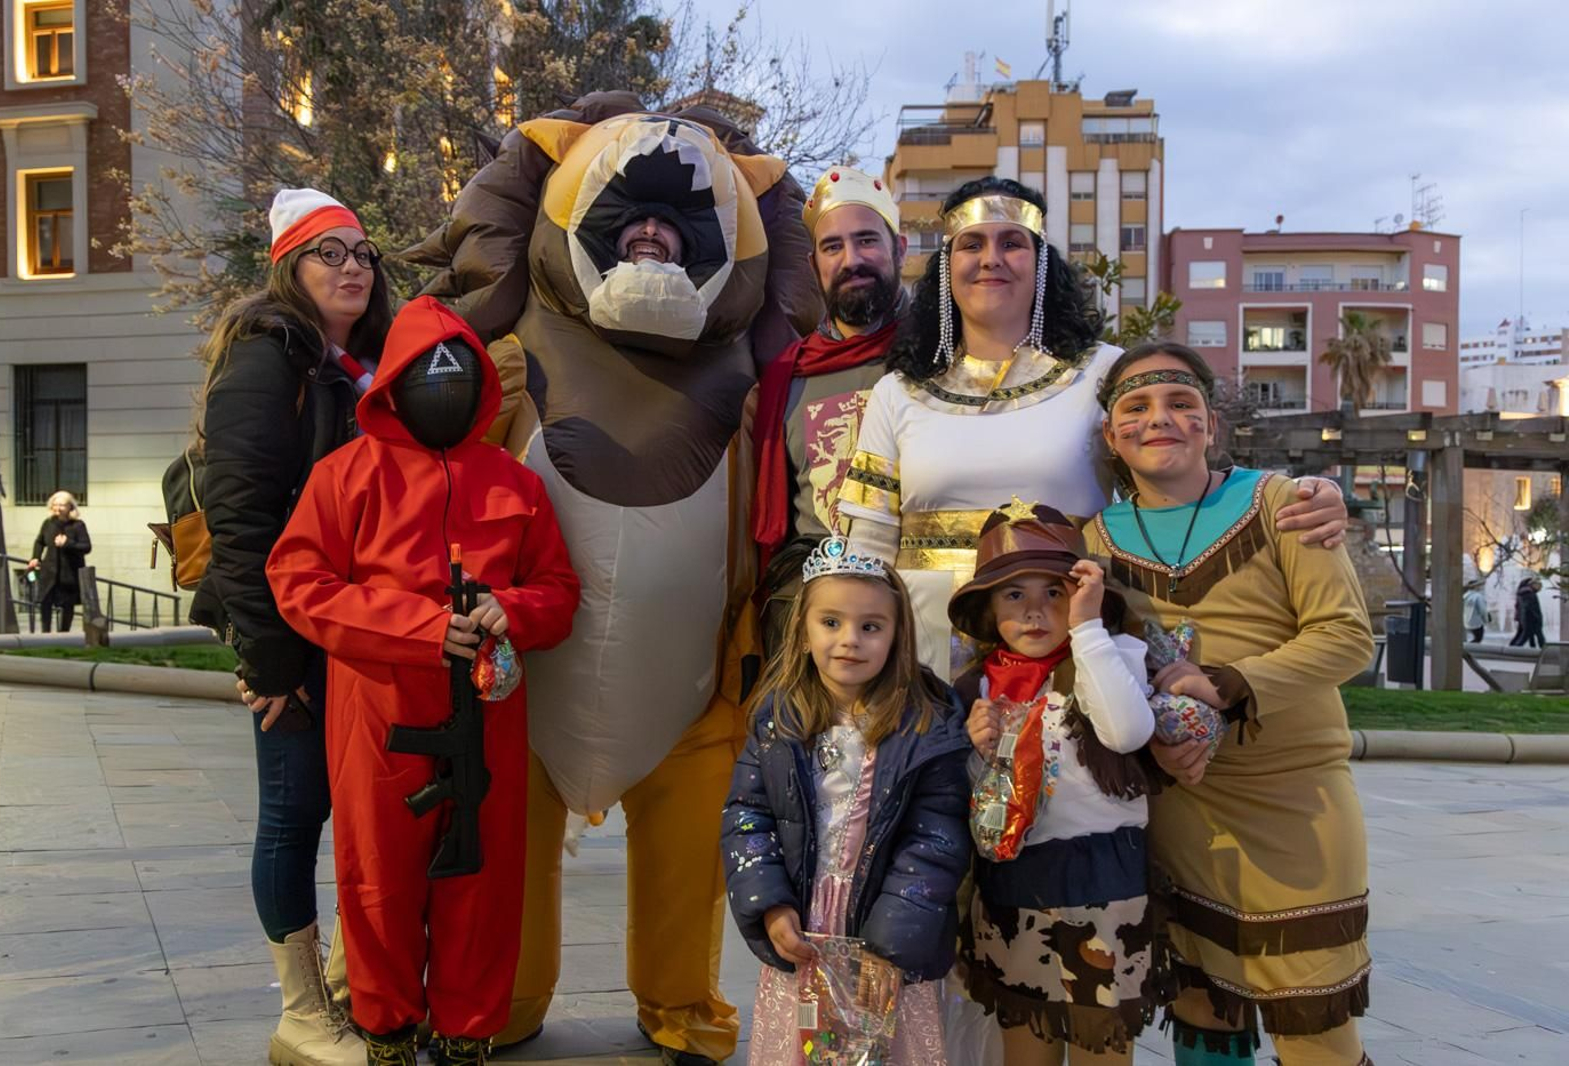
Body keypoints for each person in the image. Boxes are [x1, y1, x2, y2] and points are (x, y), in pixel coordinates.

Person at [408, 97, 822, 1065]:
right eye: (631, 223)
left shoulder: (761, 389)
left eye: (675, 229)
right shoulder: (504, 361)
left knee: (689, 848)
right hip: (520, 677)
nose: (652, 237)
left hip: (692, 687)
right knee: (508, 830)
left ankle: (679, 998)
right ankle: (501, 997)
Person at [837, 177, 1350, 683]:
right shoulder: (898, 392)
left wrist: (1302, 494)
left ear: (1041, 265)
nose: (991, 258)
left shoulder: (1106, 374)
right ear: (948, 268)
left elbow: (1174, 485)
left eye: (1012, 243)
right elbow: (869, 545)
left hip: (1067, 635)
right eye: (972, 244)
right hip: (926, 642)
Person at [268, 296, 580, 1064]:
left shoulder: (515, 482)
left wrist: (511, 609)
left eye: (456, 374)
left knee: (484, 874)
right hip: (378, 712)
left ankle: (468, 1032)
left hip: (489, 712)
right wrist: (418, 627)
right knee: (379, 875)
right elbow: (300, 583)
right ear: (394, 385)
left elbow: (559, 590)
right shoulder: (345, 477)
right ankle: (386, 1030)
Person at [1083, 342, 1376, 1066]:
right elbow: (1096, 666)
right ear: (1111, 436)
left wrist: (1227, 684)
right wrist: (1153, 740)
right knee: (1201, 1009)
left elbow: (1345, 637)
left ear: (1210, 423)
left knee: (1314, 1019)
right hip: (1183, 801)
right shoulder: (1093, 540)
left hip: (1295, 798)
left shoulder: (1283, 504)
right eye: (1137, 407)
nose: (1162, 420)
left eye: (1182, 404)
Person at [190, 187, 391, 1065]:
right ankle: (304, 1015)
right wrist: (269, 663)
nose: (352, 267)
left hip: (361, 628)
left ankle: (351, 992)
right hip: (294, 635)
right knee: (293, 812)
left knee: (362, 810)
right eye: (329, 253)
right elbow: (240, 519)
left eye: (361, 253)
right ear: (288, 269)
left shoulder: (369, 365)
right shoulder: (268, 359)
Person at [721, 535, 971, 1064]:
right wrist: (769, 904)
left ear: (897, 634)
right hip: (806, 925)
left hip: (889, 931)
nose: (849, 640)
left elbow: (936, 838)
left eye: (870, 626)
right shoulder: (777, 720)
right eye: (830, 622)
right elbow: (748, 817)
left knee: (888, 1046)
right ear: (803, 630)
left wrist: (890, 943)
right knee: (806, 1045)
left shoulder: (927, 724)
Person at [952, 503, 1157, 1064]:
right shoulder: (977, 686)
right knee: (1027, 1041)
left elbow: (1126, 731)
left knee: (1100, 1043)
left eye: (1055, 592)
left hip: (1103, 883)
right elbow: (982, 801)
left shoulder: (1110, 658)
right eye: (1014, 595)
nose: (1036, 611)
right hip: (1014, 882)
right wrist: (980, 749)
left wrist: (1088, 628)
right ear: (988, 609)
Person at [750, 166, 909, 661]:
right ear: (814, 263)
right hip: (812, 625)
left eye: (867, 241)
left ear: (899, 249)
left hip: (917, 608)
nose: (852, 259)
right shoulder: (785, 376)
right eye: (833, 247)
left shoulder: (941, 357)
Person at [28, 490, 91, 632]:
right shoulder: (48, 523)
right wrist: (35, 557)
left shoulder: (78, 525)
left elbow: (86, 547)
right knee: (45, 604)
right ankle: (46, 635)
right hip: (49, 573)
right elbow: (39, 542)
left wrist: (68, 543)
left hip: (69, 574)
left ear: (70, 507)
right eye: (55, 504)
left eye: (62, 505)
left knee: (67, 607)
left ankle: (64, 635)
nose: (58, 508)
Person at [1511, 578, 1545, 649]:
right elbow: (1529, 607)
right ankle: (1546, 652)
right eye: (1539, 586)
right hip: (1531, 620)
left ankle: (1511, 648)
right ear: (1534, 585)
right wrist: (1537, 617)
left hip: (1526, 619)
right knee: (1529, 636)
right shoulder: (1528, 593)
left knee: (1526, 636)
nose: (1540, 588)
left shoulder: (1524, 592)